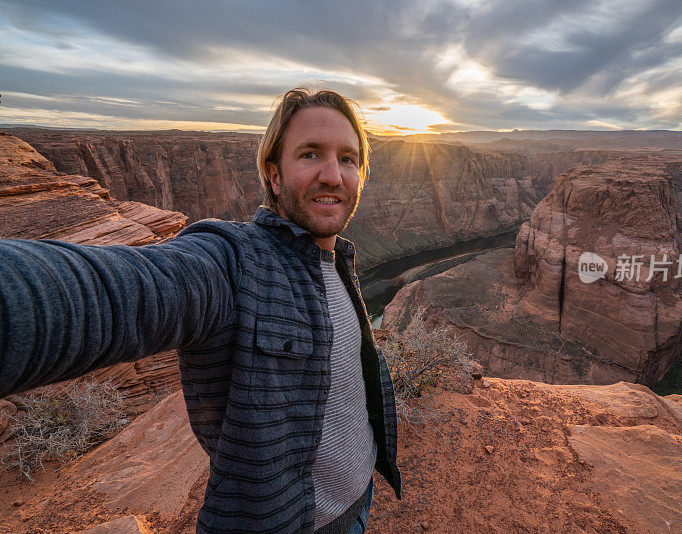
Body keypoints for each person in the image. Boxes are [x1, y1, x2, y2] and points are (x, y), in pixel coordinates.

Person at [0, 87, 401, 533]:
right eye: (310, 154)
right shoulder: (234, 263)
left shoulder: (337, 260)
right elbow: (119, 292)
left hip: (358, 506)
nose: (333, 174)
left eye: (348, 159)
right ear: (273, 175)